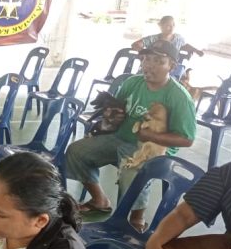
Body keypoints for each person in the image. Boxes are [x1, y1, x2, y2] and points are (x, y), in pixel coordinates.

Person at [65, 40, 196, 231]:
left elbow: (187, 139)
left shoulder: (178, 97)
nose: (149, 65)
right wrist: (111, 116)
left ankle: (137, 220)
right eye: (146, 59)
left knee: (131, 168)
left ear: (172, 66)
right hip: (120, 138)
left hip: (153, 149)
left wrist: (150, 135)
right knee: (77, 151)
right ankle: (99, 200)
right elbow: (117, 111)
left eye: (158, 61)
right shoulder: (132, 83)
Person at [131, 15, 204, 79]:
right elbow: (136, 44)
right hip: (151, 66)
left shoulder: (178, 39)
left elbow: (185, 46)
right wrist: (144, 54)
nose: (171, 28)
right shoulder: (153, 38)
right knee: (141, 78)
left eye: (173, 25)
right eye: (168, 26)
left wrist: (196, 50)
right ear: (161, 26)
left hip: (169, 69)